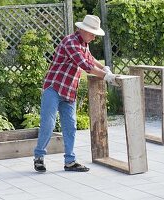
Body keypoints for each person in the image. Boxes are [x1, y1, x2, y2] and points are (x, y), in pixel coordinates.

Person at [33, 15, 118, 172]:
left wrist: (104, 67)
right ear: (83, 30)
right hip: (54, 87)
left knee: (70, 126)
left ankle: (70, 162)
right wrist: (106, 76)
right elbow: (85, 65)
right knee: (49, 124)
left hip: (69, 90)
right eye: (92, 33)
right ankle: (39, 157)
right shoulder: (70, 42)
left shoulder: (84, 43)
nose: (94, 37)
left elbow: (90, 59)